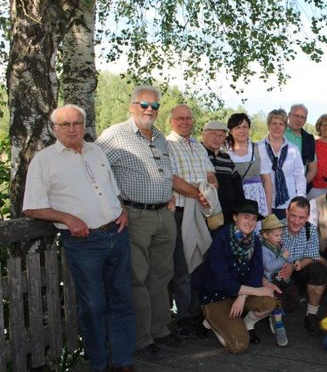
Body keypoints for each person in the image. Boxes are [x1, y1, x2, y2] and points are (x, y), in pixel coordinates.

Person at [23, 105, 135, 371]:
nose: (72, 128)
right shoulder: (44, 159)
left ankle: (123, 362)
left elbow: (111, 188)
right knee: (93, 305)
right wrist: (68, 218)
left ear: (84, 125)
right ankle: (98, 364)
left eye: (77, 123)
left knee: (121, 299)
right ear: (54, 129)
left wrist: (122, 209)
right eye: (65, 124)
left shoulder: (96, 150)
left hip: (116, 234)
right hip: (84, 243)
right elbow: (31, 207)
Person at [96, 86, 179, 358]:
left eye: (154, 106)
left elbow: (167, 170)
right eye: (143, 104)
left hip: (163, 215)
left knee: (162, 274)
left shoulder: (159, 137)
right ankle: (141, 338)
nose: (149, 110)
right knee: (137, 277)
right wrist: (116, 203)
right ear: (132, 106)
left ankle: (159, 328)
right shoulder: (115, 135)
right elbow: (94, 171)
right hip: (135, 215)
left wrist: (168, 193)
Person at [196, 200, 278, 353]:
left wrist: (243, 296)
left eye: (254, 219)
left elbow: (255, 274)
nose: (250, 222)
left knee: (269, 302)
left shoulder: (255, 241)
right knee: (238, 346)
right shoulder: (221, 240)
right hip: (217, 296)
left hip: (240, 293)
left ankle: (246, 324)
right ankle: (210, 320)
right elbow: (222, 281)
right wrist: (257, 291)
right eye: (246, 217)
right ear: (235, 217)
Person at [166, 105, 218, 337]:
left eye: (189, 118)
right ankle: (184, 317)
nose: (185, 122)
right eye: (180, 118)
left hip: (202, 210)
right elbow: (173, 180)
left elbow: (210, 175)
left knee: (201, 260)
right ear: (171, 121)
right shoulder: (166, 145)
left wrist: (210, 191)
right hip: (180, 211)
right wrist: (200, 194)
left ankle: (197, 313)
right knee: (183, 264)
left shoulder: (198, 146)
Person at [278, 197, 327, 335]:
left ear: (307, 217)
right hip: (277, 272)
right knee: (287, 303)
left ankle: (311, 315)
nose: (296, 221)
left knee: (319, 271)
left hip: (298, 269)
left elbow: (312, 256)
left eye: (301, 217)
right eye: (293, 215)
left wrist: (295, 266)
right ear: (286, 212)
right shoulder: (276, 229)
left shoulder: (310, 230)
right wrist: (285, 267)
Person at [258, 109, 306, 219]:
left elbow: (299, 177)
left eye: (281, 124)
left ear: (285, 127)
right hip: (264, 202)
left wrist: (300, 199)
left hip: (288, 203)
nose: (277, 127)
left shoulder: (293, 149)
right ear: (268, 125)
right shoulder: (258, 147)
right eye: (274, 123)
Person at [260, 214, 296, 347]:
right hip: (271, 280)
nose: (280, 238)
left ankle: (276, 315)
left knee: (293, 295)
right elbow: (269, 266)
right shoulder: (264, 249)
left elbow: (287, 257)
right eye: (276, 235)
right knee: (277, 299)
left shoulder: (278, 245)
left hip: (281, 277)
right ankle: (279, 324)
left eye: (280, 235)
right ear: (265, 235)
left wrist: (293, 261)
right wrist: (283, 258)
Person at [226, 113, 269, 221]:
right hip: (234, 197)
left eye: (245, 127)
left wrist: (269, 211)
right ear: (230, 131)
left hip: (257, 197)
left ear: (249, 128)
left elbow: (267, 181)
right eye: (237, 127)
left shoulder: (259, 148)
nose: (242, 130)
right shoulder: (225, 151)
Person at [202, 120, 245, 223]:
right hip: (205, 212)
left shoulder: (226, 157)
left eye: (221, 135)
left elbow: (237, 185)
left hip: (228, 213)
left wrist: (240, 210)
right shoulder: (196, 153)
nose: (217, 138)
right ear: (203, 134)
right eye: (213, 134)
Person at [285, 104, 318, 193]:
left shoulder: (309, 139)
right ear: (289, 115)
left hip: (298, 190)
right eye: (296, 115)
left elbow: (313, 169)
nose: (299, 120)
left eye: (303, 117)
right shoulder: (280, 132)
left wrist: (300, 186)